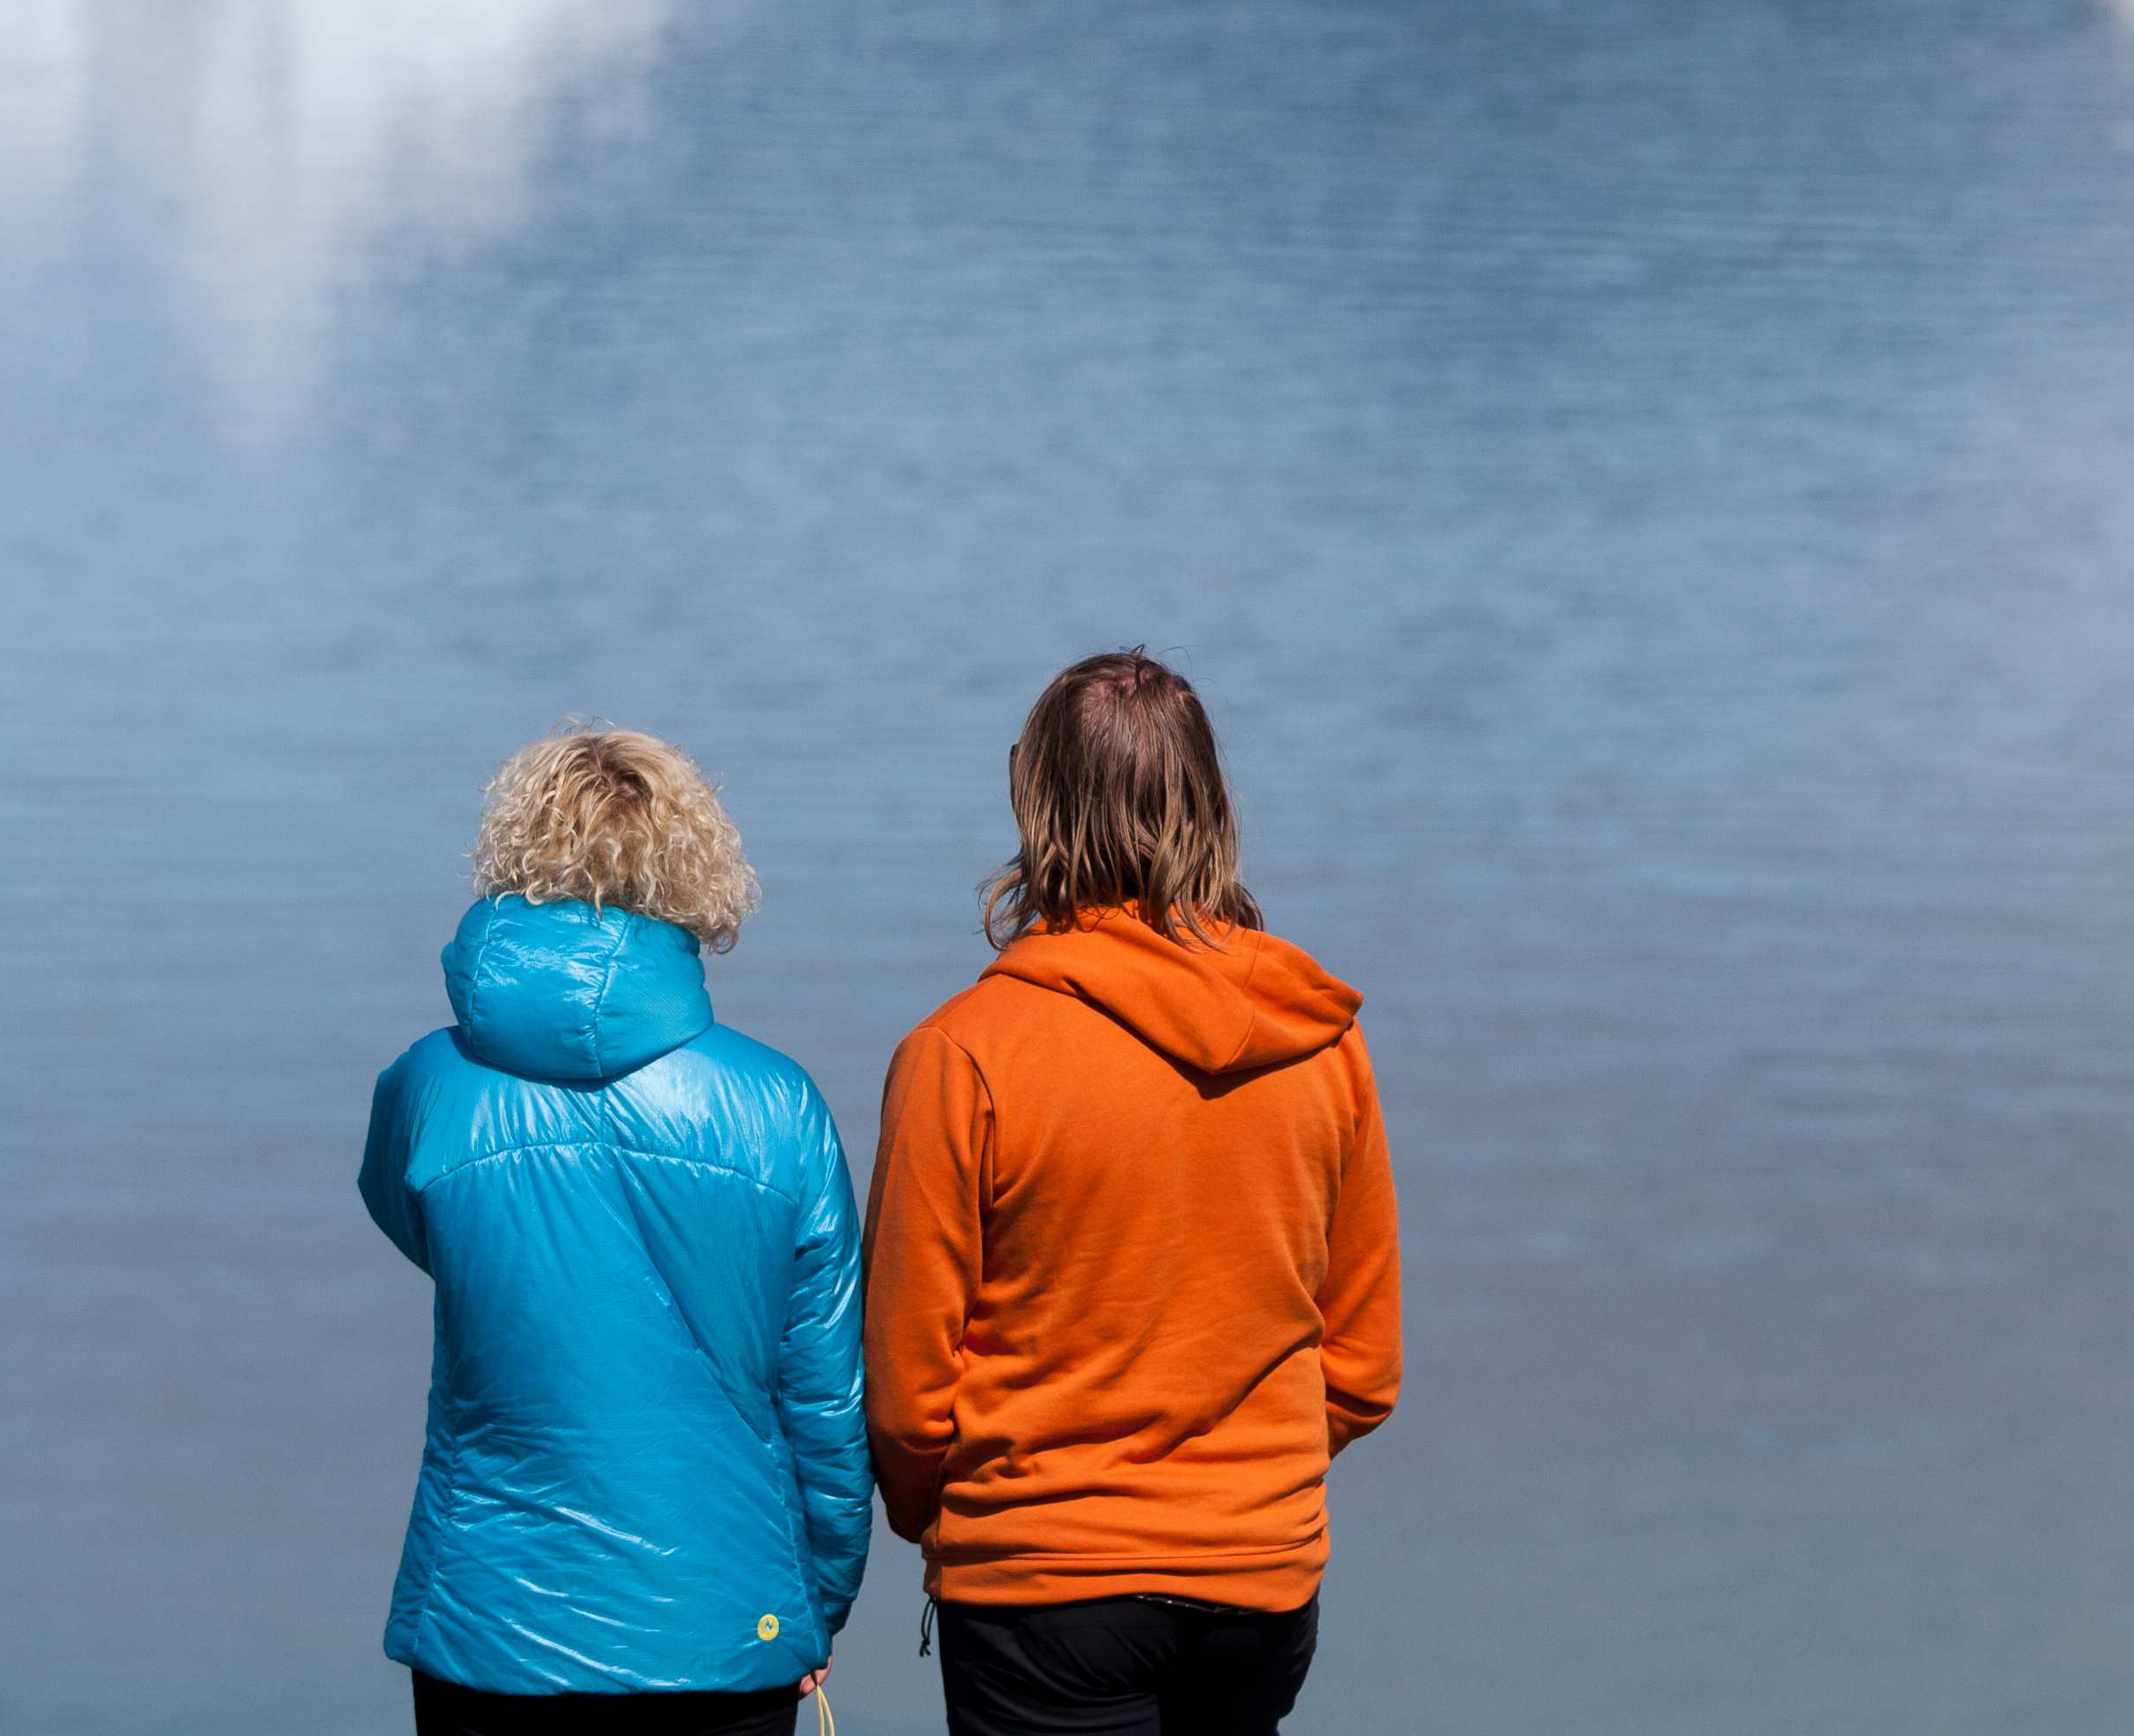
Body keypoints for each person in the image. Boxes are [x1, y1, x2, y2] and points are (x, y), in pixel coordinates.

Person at [867, 653, 1400, 1736]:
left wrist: (951, 1515)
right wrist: (1250, 1483)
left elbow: (912, 1386)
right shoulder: (1320, 1040)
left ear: (1034, 799)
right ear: (1209, 801)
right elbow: (1364, 1364)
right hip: (1261, 1579)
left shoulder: (965, 1053)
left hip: (1041, 1578)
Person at [362, 727, 871, 1735]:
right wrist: (814, 1604)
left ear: (517, 853)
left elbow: (416, 1226)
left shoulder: (430, 1086)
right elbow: (825, 1400)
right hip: (722, 1628)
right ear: (693, 866)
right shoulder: (777, 1106)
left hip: (490, 1626)